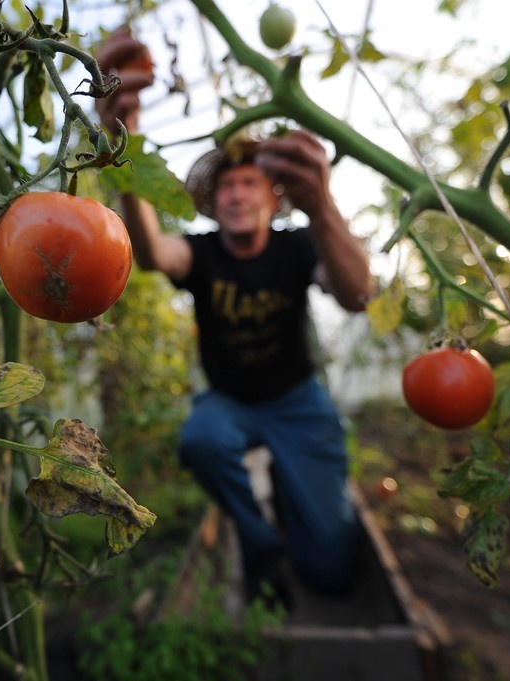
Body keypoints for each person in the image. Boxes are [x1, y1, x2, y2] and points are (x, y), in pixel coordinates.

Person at [94, 30, 376, 606]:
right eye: (227, 186)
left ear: (273, 198)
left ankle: (304, 511)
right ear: (213, 201)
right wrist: (121, 137)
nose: (237, 194)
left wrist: (323, 207)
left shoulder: (298, 245)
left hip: (297, 402)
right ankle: (258, 540)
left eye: (250, 183)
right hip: (230, 402)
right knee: (201, 438)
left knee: (330, 571)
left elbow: (356, 293)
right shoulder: (200, 253)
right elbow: (150, 252)